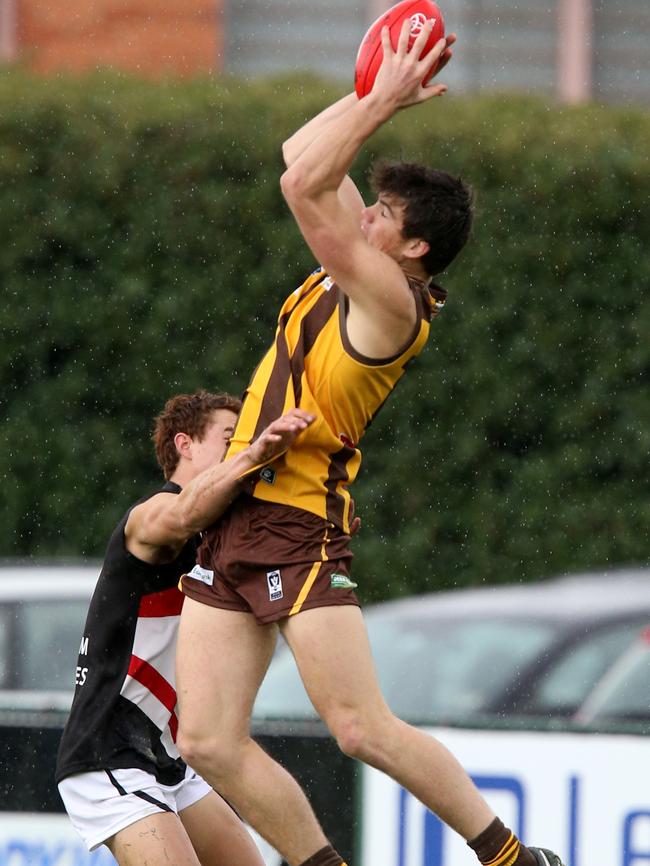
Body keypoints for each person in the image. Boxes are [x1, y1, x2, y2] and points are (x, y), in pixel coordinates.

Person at [176, 22, 565, 866]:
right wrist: (371, 90)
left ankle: (510, 858)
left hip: (296, 522)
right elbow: (298, 151)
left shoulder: (389, 301)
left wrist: (383, 103)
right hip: (237, 514)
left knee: (358, 728)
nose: (368, 211)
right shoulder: (360, 256)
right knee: (204, 739)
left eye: (384, 211)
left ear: (413, 247)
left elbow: (302, 182)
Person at [55, 390, 314, 866]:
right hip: (107, 754)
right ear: (185, 444)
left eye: (245, 441)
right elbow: (185, 513)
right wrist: (255, 456)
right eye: (229, 438)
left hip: (171, 760)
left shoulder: (227, 540)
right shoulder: (154, 514)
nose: (240, 448)